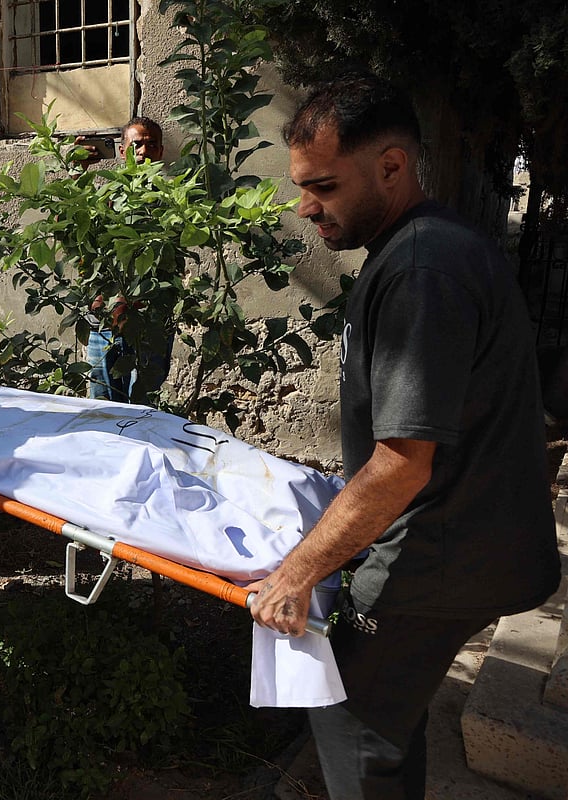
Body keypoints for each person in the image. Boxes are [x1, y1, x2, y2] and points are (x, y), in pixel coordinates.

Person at [249, 74, 561, 799]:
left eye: (323, 186)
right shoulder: (424, 247)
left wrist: (296, 572)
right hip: (461, 538)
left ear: (391, 167)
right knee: (389, 713)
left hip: (440, 557)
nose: (305, 208)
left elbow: (401, 464)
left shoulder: (422, 269)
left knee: (351, 713)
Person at [82, 117, 169, 403]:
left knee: (146, 407)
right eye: (136, 144)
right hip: (106, 321)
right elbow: (77, 232)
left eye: (151, 144)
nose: (143, 151)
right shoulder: (107, 196)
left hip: (151, 323)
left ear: (161, 151)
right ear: (122, 152)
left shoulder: (171, 201)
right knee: (105, 408)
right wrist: (75, 173)